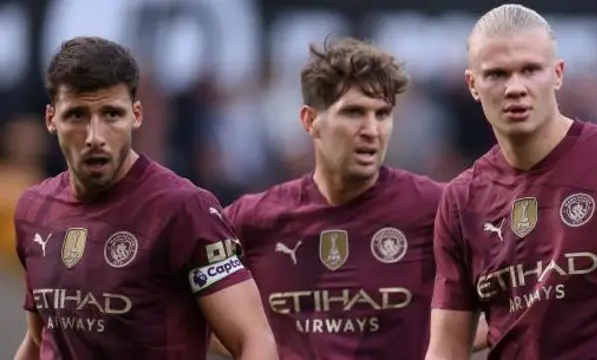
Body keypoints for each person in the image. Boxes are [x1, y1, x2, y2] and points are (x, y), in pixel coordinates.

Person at [210, 36, 487, 360]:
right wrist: (256, 348)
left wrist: (443, 346)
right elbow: (179, 307)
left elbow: (516, 297)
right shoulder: (253, 219)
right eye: (354, 112)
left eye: (382, 114)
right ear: (310, 120)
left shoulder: (437, 208)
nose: (371, 129)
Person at [12, 36, 277, 360]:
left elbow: (254, 341)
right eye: (77, 115)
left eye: (111, 114)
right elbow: (41, 340)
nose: (95, 137)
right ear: (51, 119)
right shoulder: (33, 209)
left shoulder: (184, 210)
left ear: (136, 115)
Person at [426, 4, 597, 360]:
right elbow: (447, 348)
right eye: (496, 74)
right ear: (472, 84)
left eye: (530, 70)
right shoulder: (462, 200)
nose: (515, 87)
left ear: (557, 74)